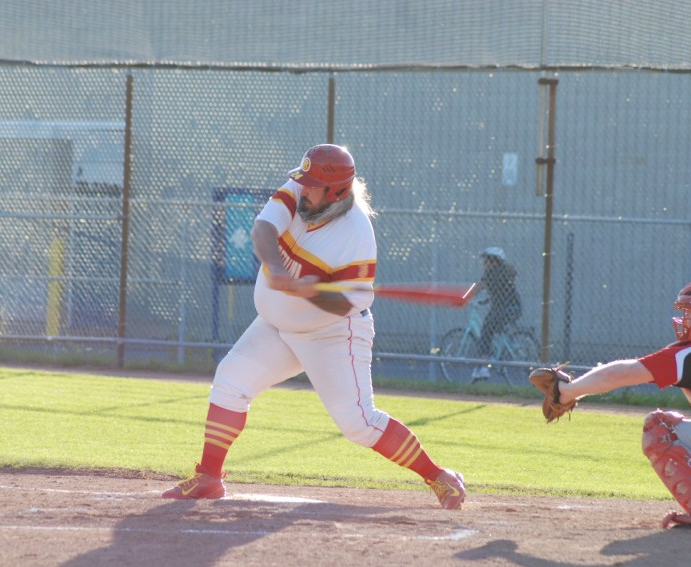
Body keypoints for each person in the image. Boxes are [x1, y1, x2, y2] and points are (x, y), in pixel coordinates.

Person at [161, 144, 466, 509]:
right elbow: (262, 229)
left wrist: (312, 292)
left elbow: (345, 304)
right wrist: (277, 270)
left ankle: (438, 476)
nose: (304, 188)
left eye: (313, 186)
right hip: (276, 326)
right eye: (304, 181)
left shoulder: (355, 234)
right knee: (230, 381)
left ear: (335, 192)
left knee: (358, 423)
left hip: (332, 333)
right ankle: (209, 478)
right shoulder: (297, 192)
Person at [549, 277, 691, 531]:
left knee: (661, 427)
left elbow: (621, 373)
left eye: (690, 311)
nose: (685, 318)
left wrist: (567, 392)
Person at [471, 247, 522, 378]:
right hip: (513, 308)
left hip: (502, 310)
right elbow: (500, 292)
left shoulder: (492, 273)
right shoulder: (504, 272)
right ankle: (496, 356)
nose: (484, 264)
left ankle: (483, 367)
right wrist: (486, 300)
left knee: (485, 333)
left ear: (494, 261)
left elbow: (478, 287)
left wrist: (464, 297)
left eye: (486, 261)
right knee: (495, 329)